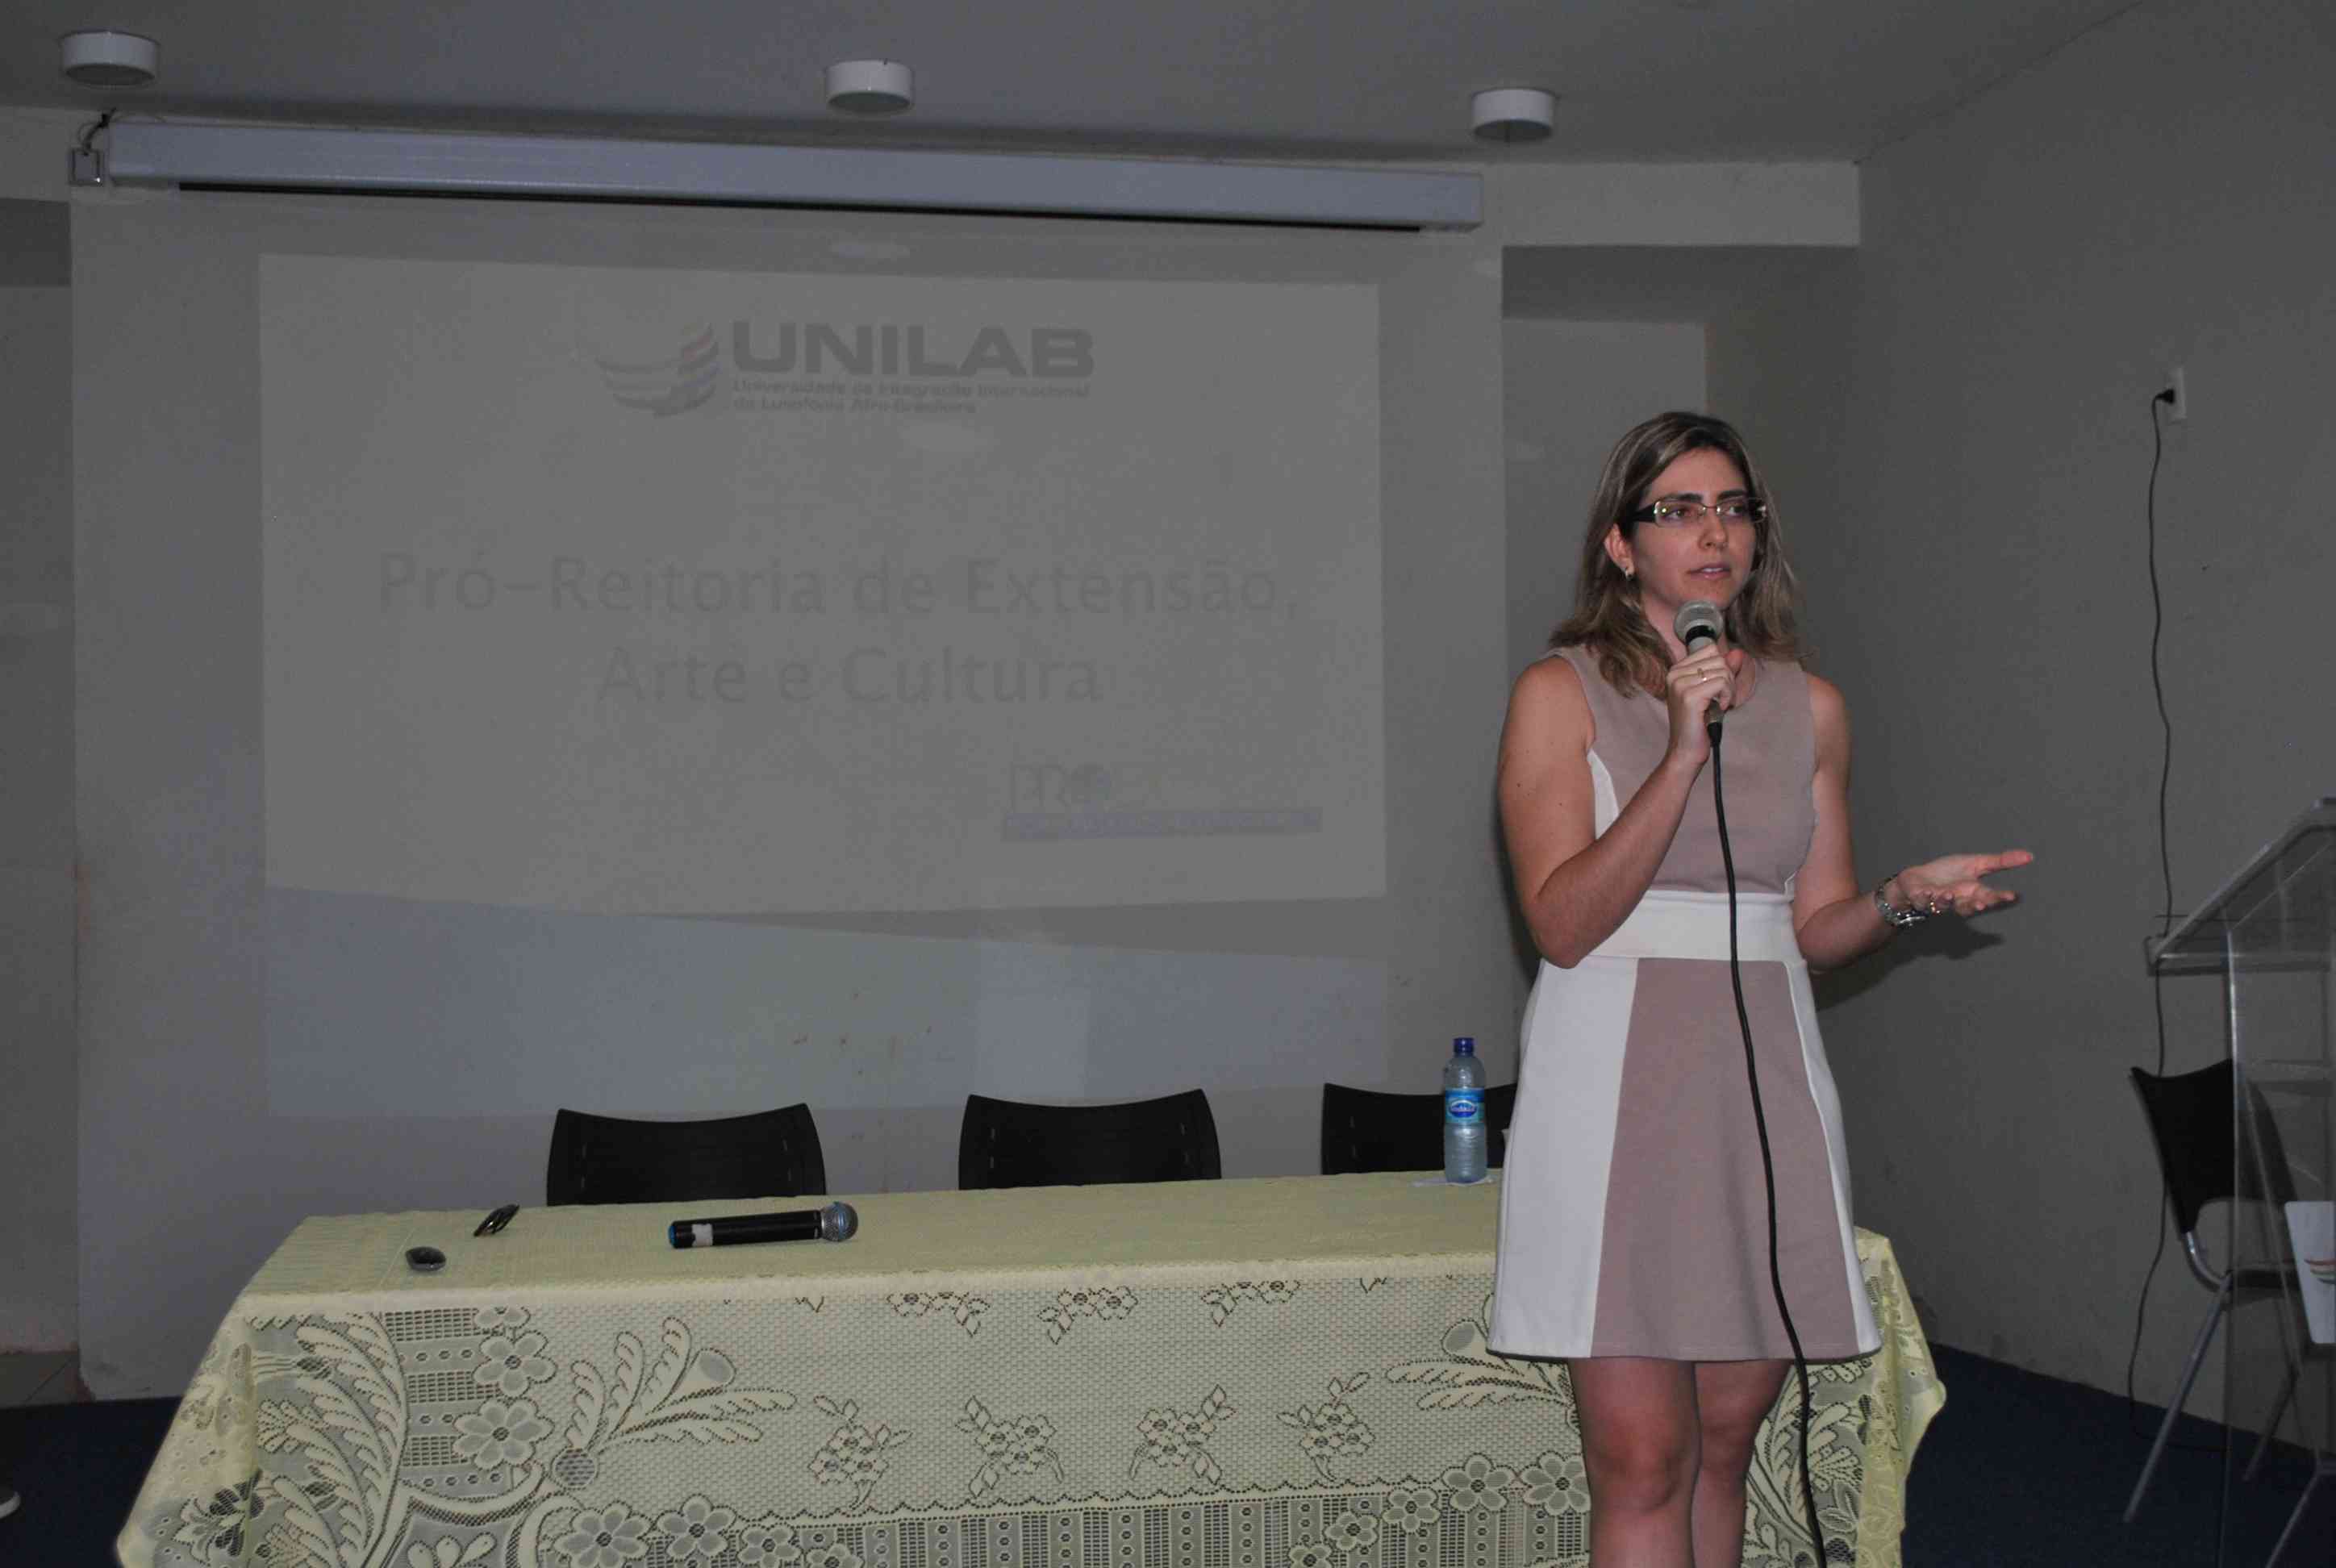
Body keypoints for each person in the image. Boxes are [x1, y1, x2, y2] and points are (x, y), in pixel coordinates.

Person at [1486, 411, 2029, 1568]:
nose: (1713, 531)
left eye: (1733, 508)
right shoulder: (1558, 693)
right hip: (1614, 1086)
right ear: (1621, 544)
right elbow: (1562, 925)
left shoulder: (1810, 707)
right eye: (1678, 509)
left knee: (1726, 1447)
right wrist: (1682, 752)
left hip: (1764, 1087)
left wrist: (1902, 899)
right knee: (1645, 1461)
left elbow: (1817, 931)